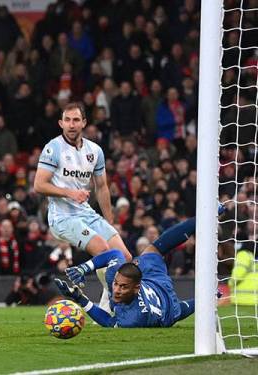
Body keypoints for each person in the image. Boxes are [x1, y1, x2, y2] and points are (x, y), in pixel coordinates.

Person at [33, 102, 131, 309]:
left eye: (76, 120)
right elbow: (39, 185)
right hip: (62, 217)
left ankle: (107, 303)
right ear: (60, 123)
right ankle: (112, 307)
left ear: (84, 123)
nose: (71, 125)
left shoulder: (94, 150)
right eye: (67, 120)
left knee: (125, 257)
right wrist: (70, 192)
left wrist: (110, 221)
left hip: (86, 213)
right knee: (104, 251)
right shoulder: (53, 148)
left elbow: (102, 187)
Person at [56, 215, 201, 327]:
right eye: (117, 284)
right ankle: (200, 219)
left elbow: (109, 322)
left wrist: (81, 300)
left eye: (123, 287)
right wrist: (83, 268)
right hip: (153, 278)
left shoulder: (133, 319)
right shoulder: (115, 276)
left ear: (136, 288)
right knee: (154, 249)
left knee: (178, 312)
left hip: (167, 306)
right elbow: (116, 254)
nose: (117, 290)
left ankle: (204, 217)